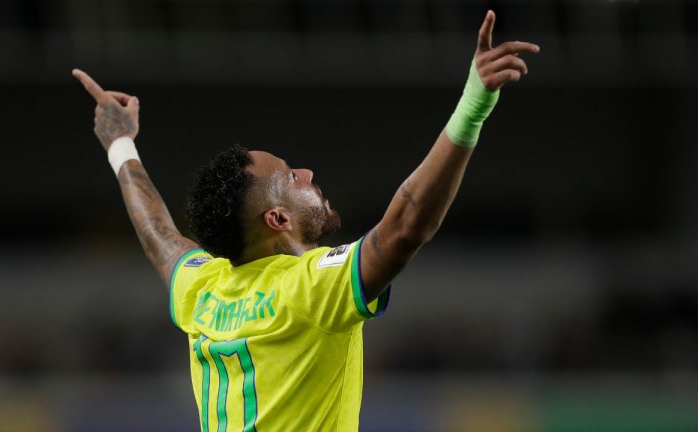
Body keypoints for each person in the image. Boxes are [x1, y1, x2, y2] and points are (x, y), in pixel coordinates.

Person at [73, 10, 538, 432]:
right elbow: (405, 227)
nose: (309, 174)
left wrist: (120, 145)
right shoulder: (310, 288)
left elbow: (159, 235)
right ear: (277, 218)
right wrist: (472, 107)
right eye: (292, 176)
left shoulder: (203, 290)